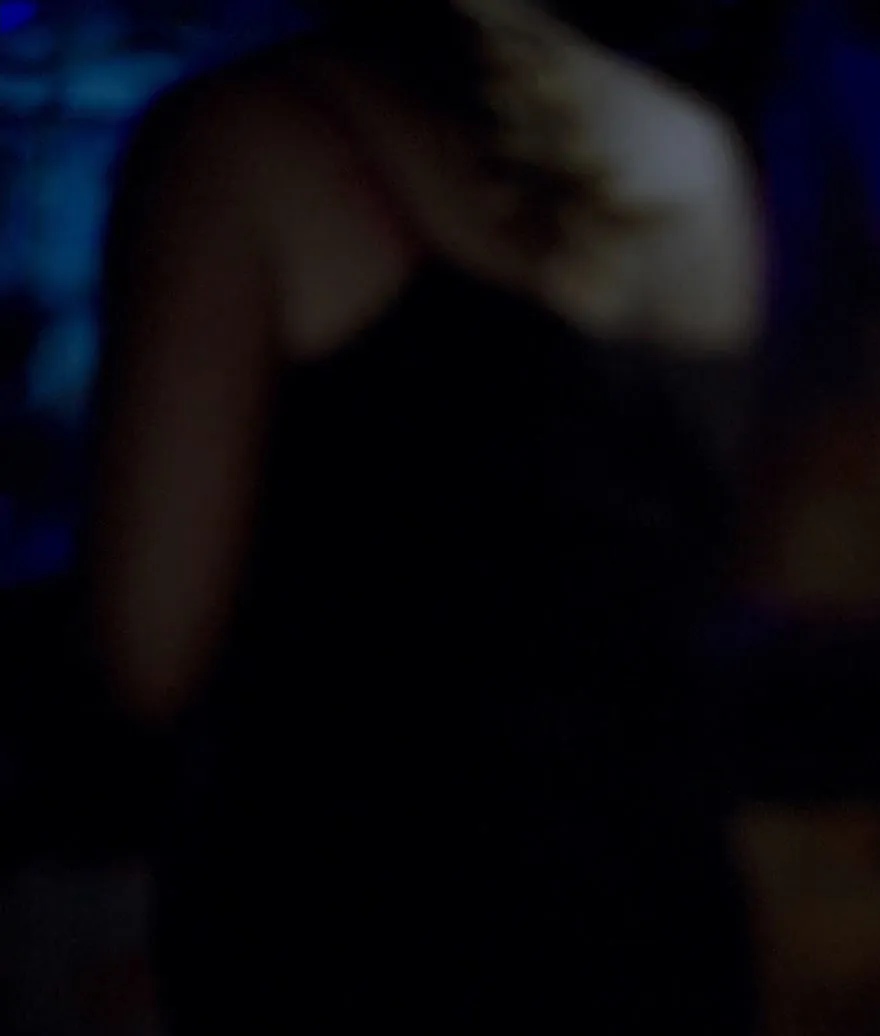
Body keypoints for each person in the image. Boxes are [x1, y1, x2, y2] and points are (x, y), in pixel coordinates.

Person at [83, 1, 765, 1031]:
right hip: (654, 921)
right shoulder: (696, 152)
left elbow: (145, 648)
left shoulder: (248, 142)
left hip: (361, 926)